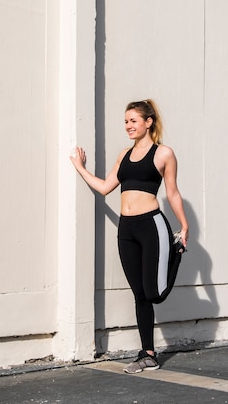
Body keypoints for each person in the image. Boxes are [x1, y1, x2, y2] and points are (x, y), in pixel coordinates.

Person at [70, 99, 189, 374]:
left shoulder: (164, 154)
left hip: (152, 225)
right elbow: (104, 188)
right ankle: (148, 354)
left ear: (148, 122)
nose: (128, 126)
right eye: (126, 121)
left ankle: (176, 253)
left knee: (155, 294)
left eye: (133, 121)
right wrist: (80, 167)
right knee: (140, 295)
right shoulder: (124, 155)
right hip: (127, 229)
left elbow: (172, 192)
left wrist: (184, 225)